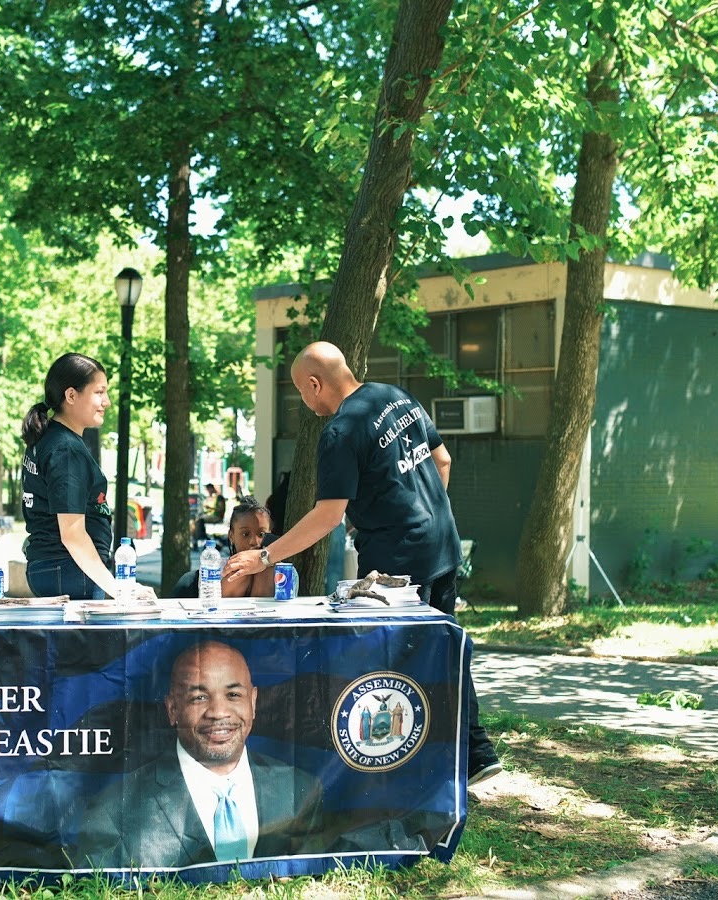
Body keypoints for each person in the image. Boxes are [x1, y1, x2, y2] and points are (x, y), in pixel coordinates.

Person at [222, 341, 502, 788]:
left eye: (302, 392)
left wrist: (266, 555)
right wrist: (423, 513)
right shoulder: (396, 396)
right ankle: (474, 752)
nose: (306, 403)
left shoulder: (341, 431)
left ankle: (395, 768)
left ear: (315, 384)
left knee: (391, 662)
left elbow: (328, 516)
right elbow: (442, 459)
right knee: (443, 650)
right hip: (444, 542)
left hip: (398, 560)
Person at [76, 641, 323, 869]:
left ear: (253, 702)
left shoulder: (301, 792)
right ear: (172, 709)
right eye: (199, 697)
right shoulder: (113, 812)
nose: (218, 712)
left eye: (234, 695)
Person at [21, 352, 155, 601]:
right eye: (99, 392)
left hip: (58, 569)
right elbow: (72, 534)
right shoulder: (65, 450)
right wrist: (119, 590)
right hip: (69, 570)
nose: (107, 402)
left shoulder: (50, 440)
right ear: (71, 395)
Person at [173, 497, 276, 599]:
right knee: (241, 570)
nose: (253, 541)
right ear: (231, 536)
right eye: (245, 534)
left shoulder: (279, 571)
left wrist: (266, 564)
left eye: (262, 534)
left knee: (267, 570)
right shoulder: (215, 569)